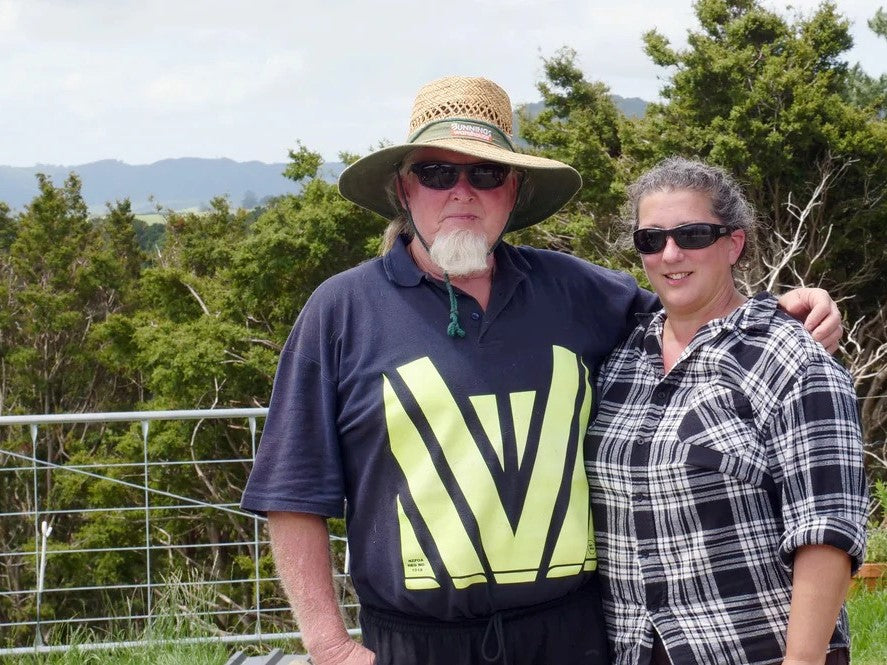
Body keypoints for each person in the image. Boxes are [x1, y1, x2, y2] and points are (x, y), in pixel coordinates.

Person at [240, 78, 841, 665]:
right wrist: (329, 646)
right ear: (403, 188)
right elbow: (293, 492)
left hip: (573, 634)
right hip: (412, 642)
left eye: (486, 173)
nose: (462, 192)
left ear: (514, 189)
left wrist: (783, 307)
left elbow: (692, 301)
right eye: (437, 172)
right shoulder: (341, 312)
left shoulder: (579, 291)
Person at [586, 157, 868, 665]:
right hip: (633, 649)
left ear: (734, 243)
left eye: (692, 234)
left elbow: (826, 531)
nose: (670, 253)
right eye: (651, 240)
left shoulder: (790, 359)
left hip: (755, 650)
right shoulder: (620, 359)